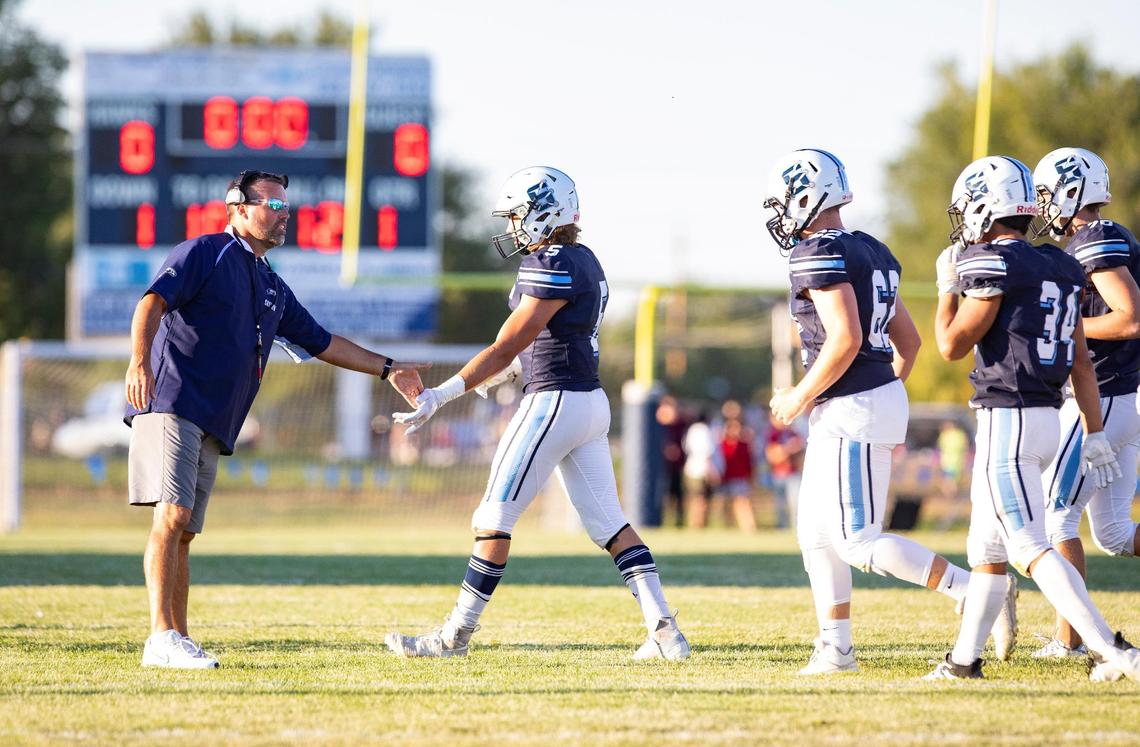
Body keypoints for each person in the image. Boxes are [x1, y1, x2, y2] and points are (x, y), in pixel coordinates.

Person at [383, 166, 689, 661]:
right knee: (610, 525)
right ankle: (665, 632)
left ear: (542, 214)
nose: (511, 227)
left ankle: (453, 637)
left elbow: (507, 344)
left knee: (493, 517)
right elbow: (544, 338)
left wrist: (442, 394)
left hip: (554, 402)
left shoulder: (550, 261)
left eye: (516, 216)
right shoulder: (584, 258)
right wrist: (508, 370)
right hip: (589, 403)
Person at [124, 170, 424, 669]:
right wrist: (139, 363)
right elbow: (151, 301)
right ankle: (160, 636)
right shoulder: (205, 251)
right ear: (239, 207)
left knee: (185, 533)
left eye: (287, 206)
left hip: (214, 419)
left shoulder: (269, 282)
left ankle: (178, 638)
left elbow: (321, 341)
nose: (286, 215)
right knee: (171, 517)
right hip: (173, 400)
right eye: (275, 205)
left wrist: (388, 368)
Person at [763, 148, 990, 675]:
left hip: (851, 407)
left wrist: (799, 396)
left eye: (783, 201)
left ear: (805, 196)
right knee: (816, 535)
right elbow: (908, 343)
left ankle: (974, 591)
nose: (779, 214)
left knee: (857, 540)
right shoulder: (870, 248)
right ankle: (836, 648)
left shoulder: (816, 250)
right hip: (860, 402)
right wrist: (881, 393)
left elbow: (845, 338)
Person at [928, 155, 1139, 682]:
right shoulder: (1060, 266)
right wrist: (1093, 431)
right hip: (1048, 414)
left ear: (984, 207)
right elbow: (1080, 360)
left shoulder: (996, 264)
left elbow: (951, 345)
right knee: (985, 545)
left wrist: (946, 288)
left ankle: (1112, 650)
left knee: (1029, 543)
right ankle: (963, 662)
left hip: (1010, 420)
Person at [1031, 148, 1140, 658]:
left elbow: (1130, 317)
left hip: (1106, 395)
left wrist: (1064, 326)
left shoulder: (1094, 239)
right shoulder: (1101, 236)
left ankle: (1069, 639)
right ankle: (1070, 637)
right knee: (1115, 533)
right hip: (1121, 396)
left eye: (1047, 194)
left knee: (1055, 518)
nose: (1041, 205)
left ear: (1071, 190)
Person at [715, 417, 758, 532]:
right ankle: (728, 526)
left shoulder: (744, 445)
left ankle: (748, 526)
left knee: (742, 502)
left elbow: (749, 463)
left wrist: (751, 477)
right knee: (726, 505)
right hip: (726, 478)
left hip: (740, 478)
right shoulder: (722, 445)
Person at [765, 410, 805, 529]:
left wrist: (785, 450)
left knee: (795, 502)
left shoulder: (792, 433)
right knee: (780, 503)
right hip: (778, 473)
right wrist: (787, 449)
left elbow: (800, 449)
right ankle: (782, 526)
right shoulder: (772, 434)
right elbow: (772, 455)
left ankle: (797, 526)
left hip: (793, 473)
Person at [683, 412, 722, 528]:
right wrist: (713, 471)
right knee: (701, 500)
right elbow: (706, 453)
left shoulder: (691, 430)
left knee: (695, 499)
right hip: (702, 471)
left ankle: (694, 524)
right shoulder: (703, 430)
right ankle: (698, 525)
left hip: (691, 470)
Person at [656, 395, 689, 528]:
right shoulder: (656, 427)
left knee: (678, 493)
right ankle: (660, 520)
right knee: (662, 493)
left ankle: (678, 521)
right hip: (661, 467)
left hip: (676, 467)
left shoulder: (680, 425)